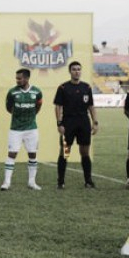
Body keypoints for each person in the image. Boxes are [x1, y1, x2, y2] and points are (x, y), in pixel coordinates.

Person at [54, 61, 99, 189]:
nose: (77, 71)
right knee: (65, 152)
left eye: (79, 69)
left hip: (84, 123)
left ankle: (88, 181)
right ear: (70, 71)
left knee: (85, 152)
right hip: (68, 123)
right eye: (74, 69)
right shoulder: (63, 88)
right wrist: (59, 123)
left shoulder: (87, 87)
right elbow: (58, 106)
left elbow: (91, 106)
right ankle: (61, 182)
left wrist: (95, 122)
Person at [1, 68, 43, 191]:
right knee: (12, 154)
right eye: (17, 78)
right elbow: (9, 108)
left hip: (31, 129)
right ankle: (6, 182)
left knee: (32, 154)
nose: (17, 80)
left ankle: (32, 182)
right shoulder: (12, 92)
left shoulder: (37, 92)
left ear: (27, 78)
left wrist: (31, 116)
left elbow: (38, 105)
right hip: (16, 129)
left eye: (19, 78)